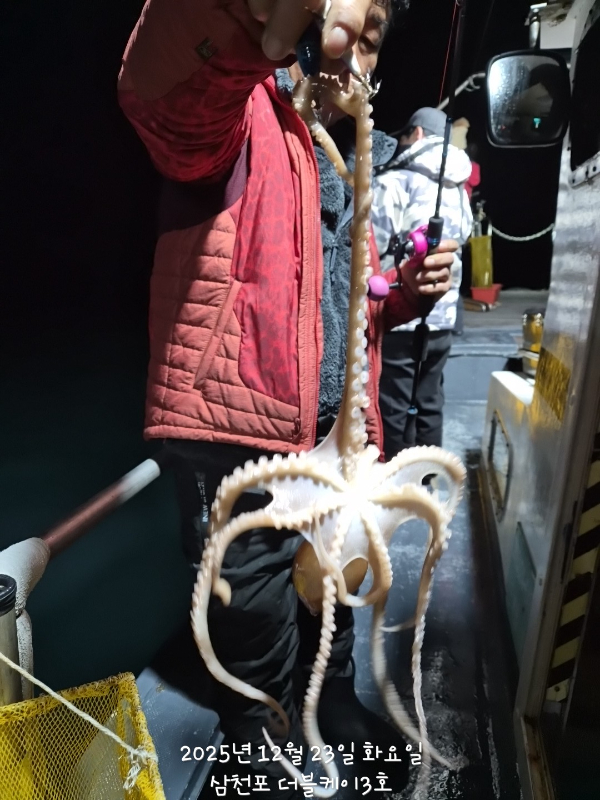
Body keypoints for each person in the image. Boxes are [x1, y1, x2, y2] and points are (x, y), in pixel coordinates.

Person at [117, 2, 457, 796]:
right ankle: (256, 734)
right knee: (252, 602)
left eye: (374, 45)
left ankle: (331, 698)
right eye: (350, 27)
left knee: (329, 576)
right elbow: (159, 91)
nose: (358, 58)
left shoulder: (344, 163)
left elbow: (345, 309)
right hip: (231, 429)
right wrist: (244, 16)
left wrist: (405, 293)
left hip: (329, 433)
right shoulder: (234, 115)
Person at [372, 107, 472, 459]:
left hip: (399, 313)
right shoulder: (458, 187)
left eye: (404, 135)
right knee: (430, 399)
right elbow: (464, 235)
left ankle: (395, 479)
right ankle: (429, 475)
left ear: (416, 134)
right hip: (443, 314)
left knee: (393, 405)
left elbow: (372, 245)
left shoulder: (394, 181)